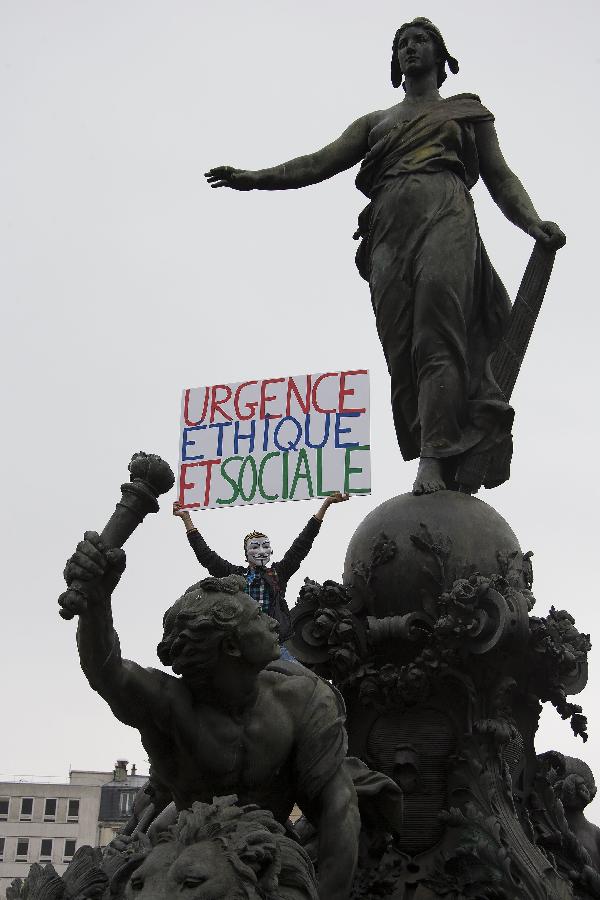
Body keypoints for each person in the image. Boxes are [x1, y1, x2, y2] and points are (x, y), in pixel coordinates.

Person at [205, 18, 565, 495]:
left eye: (420, 41)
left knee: (437, 333)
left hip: (446, 214)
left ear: (441, 56)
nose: (410, 49)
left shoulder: (467, 112)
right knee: (403, 350)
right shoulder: (376, 124)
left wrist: (532, 221)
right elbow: (318, 162)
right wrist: (255, 177)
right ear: (394, 62)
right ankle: (433, 442)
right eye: (401, 45)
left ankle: (433, 461)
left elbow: (500, 177)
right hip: (388, 235)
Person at [61, 540, 360, 900]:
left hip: (269, 856)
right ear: (232, 647)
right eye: (255, 617)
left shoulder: (303, 698)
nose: (271, 620)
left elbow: (339, 808)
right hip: (188, 853)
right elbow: (106, 670)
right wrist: (97, 602)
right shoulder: (173, 706)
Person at [172, 492, 348, 650]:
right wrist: (186, 519)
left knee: (296, 675)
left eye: (266, 546)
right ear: (246, 554)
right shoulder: (235, 576)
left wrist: (325, 505)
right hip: (241, 639)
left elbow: (302, 545)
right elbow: (207, 557)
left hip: (274, 640)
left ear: (271, 551)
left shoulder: (278, 573)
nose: (261, 551)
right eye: (255, 547)